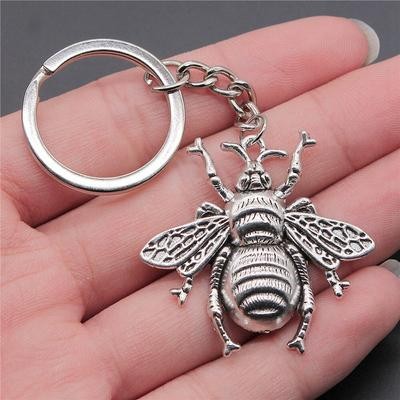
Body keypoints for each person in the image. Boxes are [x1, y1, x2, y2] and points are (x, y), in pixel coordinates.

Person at [1, 16, 399, 399]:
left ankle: (228, 329)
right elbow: (296, 187)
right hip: (278, 264)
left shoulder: (227, 210)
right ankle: (304, 322)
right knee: (298, 259)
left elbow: (217, 188)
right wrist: (297, 153)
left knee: (220, 266)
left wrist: (205, 156)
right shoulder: (287, 208)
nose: (253, 178)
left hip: (241, 265)